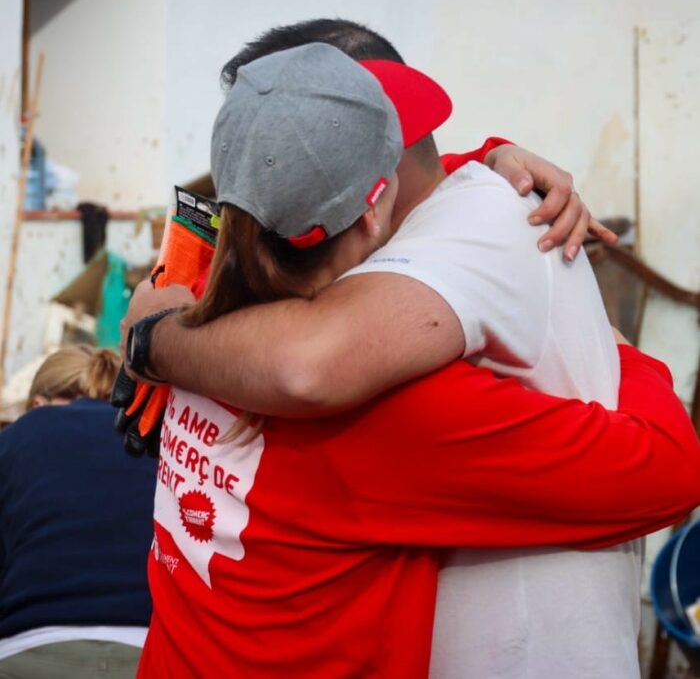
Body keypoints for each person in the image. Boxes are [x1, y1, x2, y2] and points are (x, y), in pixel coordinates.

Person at [131, 42, 700, 679]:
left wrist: (487, 160)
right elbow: (670, 472)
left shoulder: (187, 306)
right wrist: (625, 353)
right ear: (377, 210)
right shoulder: (381, 411)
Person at [0, 346, 156, 679]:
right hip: (150, 652)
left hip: (30, 648)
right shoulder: (156, 441)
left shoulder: (17, 437)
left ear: (37, 405)